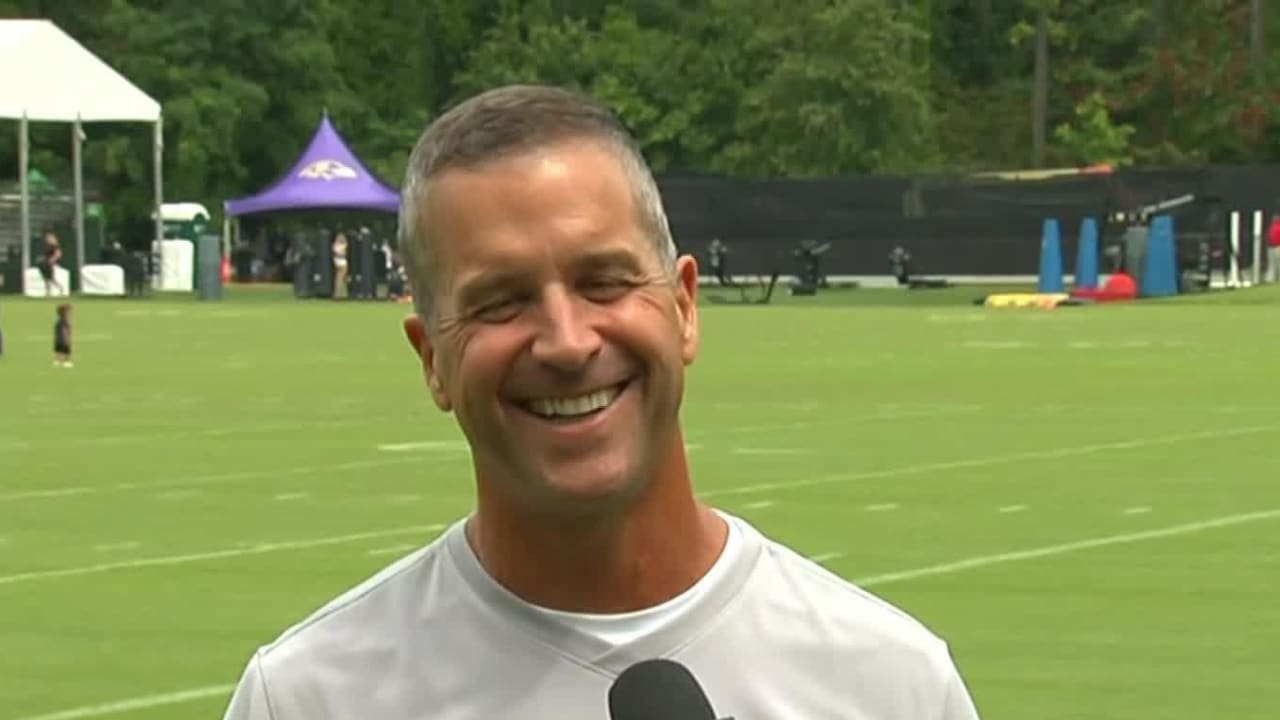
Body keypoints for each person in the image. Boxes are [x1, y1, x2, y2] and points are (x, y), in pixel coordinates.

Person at [222, 85, 981, 720]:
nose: (565, 341)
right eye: (500, 301)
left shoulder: (890, 686)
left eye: (605, 282)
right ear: (432, 360)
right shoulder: (310, 699)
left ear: (684, 308)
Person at [40, 231, 64, 296]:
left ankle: (60, 288)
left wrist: (53, 259)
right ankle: (48, 292)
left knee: (51, 278)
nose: (47, 238)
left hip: (51, 264)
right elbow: (46, 255)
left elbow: (59, 254)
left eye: (48, 237)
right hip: (46, 263)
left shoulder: (54, 246)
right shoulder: (46, 246)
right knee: (46, 279)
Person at [53, 303, 72, 368]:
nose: (69, 313)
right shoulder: (64, 320)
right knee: (65, 349)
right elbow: (65, 329)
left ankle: (57, 361)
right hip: (63, 338)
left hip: (58, 338)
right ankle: (66, 362)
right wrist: (66, 337)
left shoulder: (59, 320)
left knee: (58, 348)